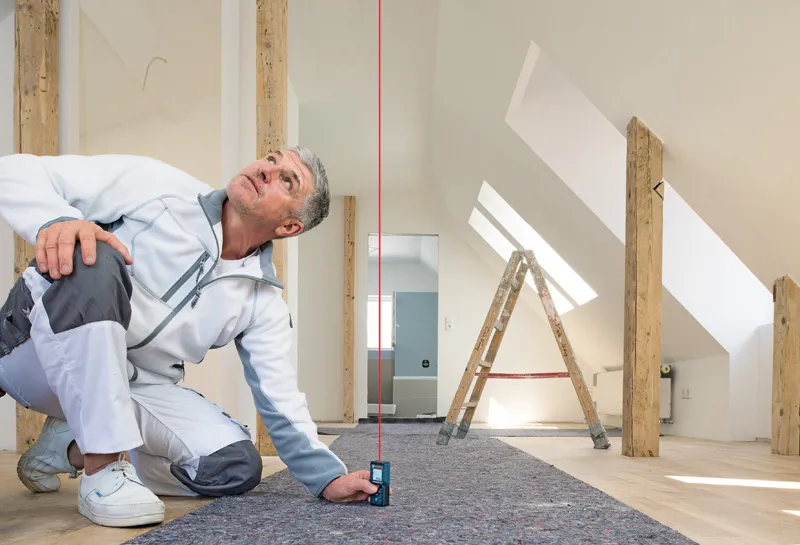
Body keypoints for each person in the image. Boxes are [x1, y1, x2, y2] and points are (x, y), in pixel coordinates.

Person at [0, 149, 378, 528]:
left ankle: (70, 446)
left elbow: (279, 396)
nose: (266, 169)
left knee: (235, 467)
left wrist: (327, 478)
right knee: (95, 253)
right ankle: (102, 470)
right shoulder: (156, 186)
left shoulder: (262, 300)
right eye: (270, 159)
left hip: (132, 387)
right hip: (31, 351)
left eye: (286, 180)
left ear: (289, 227)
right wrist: (59, 221)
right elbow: (12, 169)